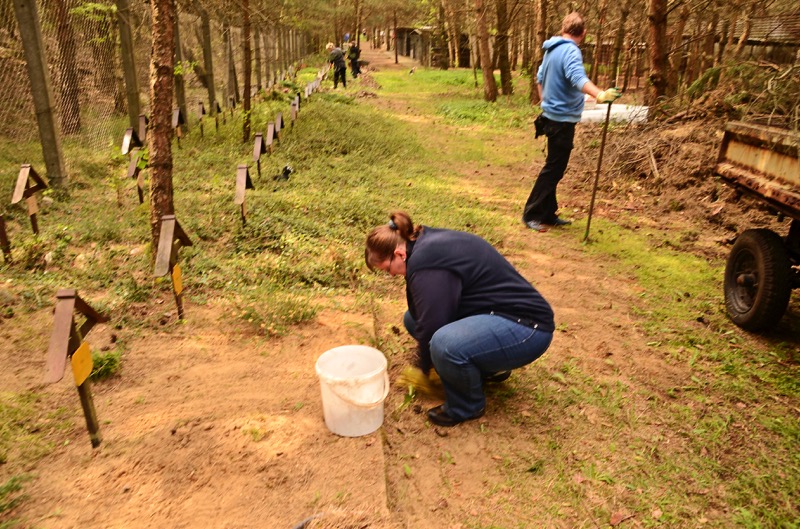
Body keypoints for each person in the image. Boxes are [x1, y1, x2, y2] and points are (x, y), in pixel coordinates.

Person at [365, 211, 555, 427]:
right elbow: (425, 313)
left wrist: (423, 370)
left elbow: (433, 325)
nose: (391, 275)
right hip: (496, 312)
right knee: (413, 319)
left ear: (399, 254)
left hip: (528, 328)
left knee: (443, 344)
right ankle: (489, 369)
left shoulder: (426, 262)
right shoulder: (422, 242)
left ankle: (467, 405)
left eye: (387, 269)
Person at [522, 12, 621, 232]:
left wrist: (545, 101)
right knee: (553, 169)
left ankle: (548, 213)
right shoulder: (571, 51)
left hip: (552, 117)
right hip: (561, 121)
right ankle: (532, 214)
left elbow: (540, 78)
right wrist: (599, 94)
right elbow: (578, 79)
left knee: (555, 167)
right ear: (583, 33)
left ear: (563, 29)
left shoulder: (552, 49)